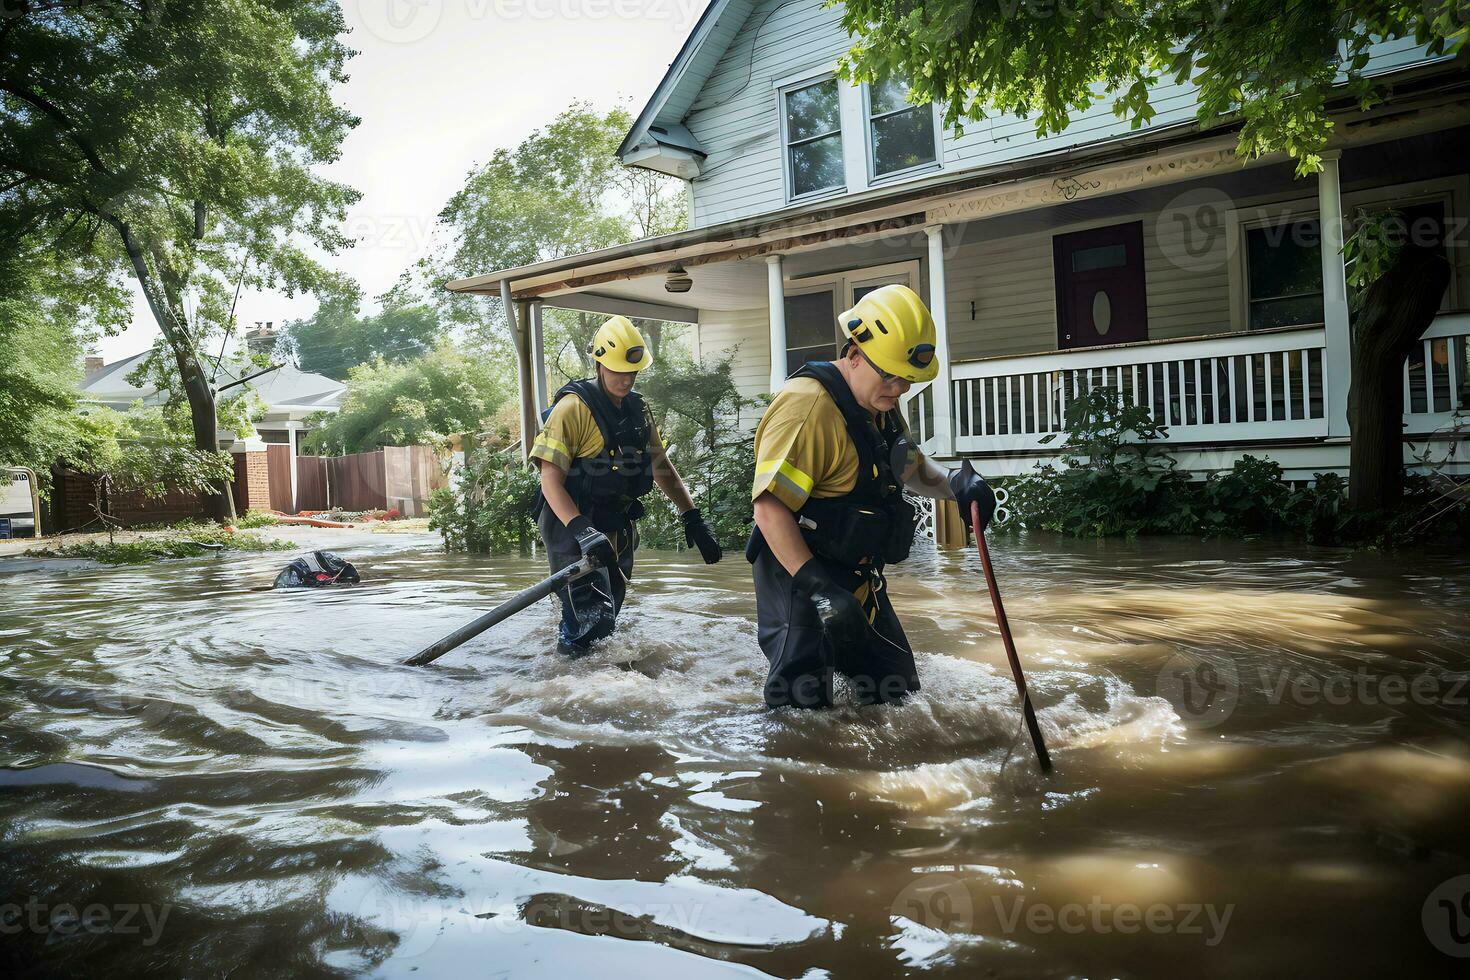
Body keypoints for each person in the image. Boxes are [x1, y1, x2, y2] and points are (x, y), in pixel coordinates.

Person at [747, 283, 996, 708]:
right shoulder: (806, 408)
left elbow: (908, 466)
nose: (899, 389)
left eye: (907, 380)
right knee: (801, 715)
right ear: (854, 354)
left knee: (895, 692)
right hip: (799, 579)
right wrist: (820, 590)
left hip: (858, 576)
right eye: (890, 376)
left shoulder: (877, 402)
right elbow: (769, 509)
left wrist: (956, 484)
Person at [530, 314, 722, 655]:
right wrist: (583, 532)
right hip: (571, 526)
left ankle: (591, 673)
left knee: (610, 609)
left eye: (632, 371)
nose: (627, 378)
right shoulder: (572, 410)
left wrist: (691, 515)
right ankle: (568, 685)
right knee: (589, 621)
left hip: (615, 522)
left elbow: (660, 465)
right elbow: (550, 482)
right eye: (619, 370)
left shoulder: (638, 409)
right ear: (600, 362)